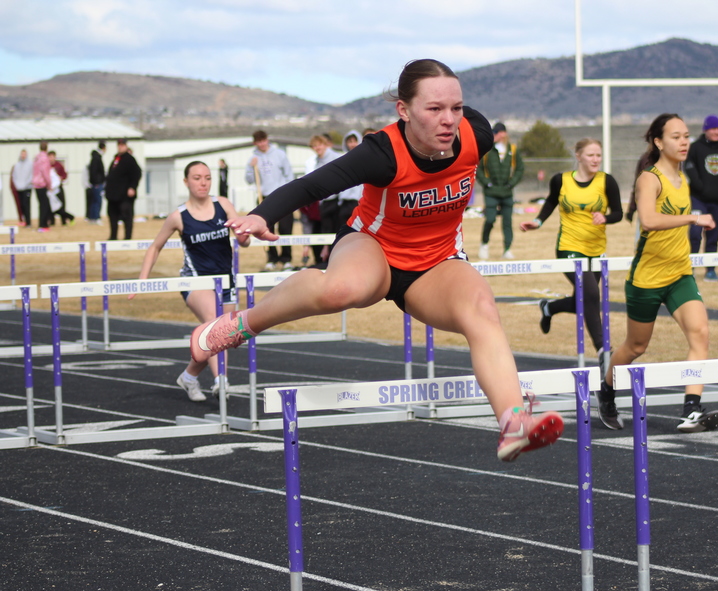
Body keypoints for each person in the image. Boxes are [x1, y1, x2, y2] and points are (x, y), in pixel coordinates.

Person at [189, 58, 563, 462]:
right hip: (373, 246)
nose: (448, 120)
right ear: (404, 111)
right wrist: (262, 215)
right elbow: (312, 184)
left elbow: (464, 125)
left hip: (436, 263)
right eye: (434, 109)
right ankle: (242, 324)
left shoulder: (477, 134)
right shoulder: (383, 153)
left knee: (482, 308)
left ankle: (512, 423)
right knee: (344, 288)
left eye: (456, 108)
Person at [596, 113, 718, 434]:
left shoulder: (684, 179)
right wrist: (694, 219)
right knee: (635, 347)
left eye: (686, 135)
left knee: (700, 333)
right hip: (647, 279)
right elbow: (649, 220)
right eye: (676, 136)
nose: (683, 142)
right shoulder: (649, 179)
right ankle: (607, 391)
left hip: (680, 273)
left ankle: (692, 410)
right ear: (658, 141)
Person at [133, 161, 246, 399]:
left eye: (207, 177)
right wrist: (142, 280)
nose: (203, 183)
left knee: (225, 336)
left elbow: (242, 238)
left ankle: (189, 376)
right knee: (215, 325)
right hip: (195, 281)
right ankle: (221, 381)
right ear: (186, 182)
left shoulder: (223, 204)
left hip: (226, 280)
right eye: (196, 178)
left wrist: (245, 236)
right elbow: (155, 247)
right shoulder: (178, 216)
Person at [521, 138, 622, 371]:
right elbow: (550, 203)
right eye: (591, 155)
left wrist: (605, 218)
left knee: (583, 302)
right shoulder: (561, 180)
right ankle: (603, 350)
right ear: (578, 156)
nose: (596, 159)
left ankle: (549, 308)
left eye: (599, 155)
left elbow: (617, 212)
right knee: (590, 294)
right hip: (568, 247)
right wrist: (537, 221)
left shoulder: (607, 182)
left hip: (595, 250)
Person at [683, 115, 718, 282]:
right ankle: (689, 269)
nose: (716, 132)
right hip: (699, 199)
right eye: (713, 129)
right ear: (706, 130)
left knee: (713, 237)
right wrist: (700, 187)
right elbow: (689, 168)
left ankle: (710, 271)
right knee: (695, 234)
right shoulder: (696, 148)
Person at [245, 130, 296, 270]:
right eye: (258, 142)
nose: (262, 144)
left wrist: (289, 193)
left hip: (282, 195)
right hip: (264, 196)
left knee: (286, 228)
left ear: (267, 140)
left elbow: (289, 175)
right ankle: (272, 258)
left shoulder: (279, 154)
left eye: (263, 140)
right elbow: (249, 180)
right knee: (266, 229)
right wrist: (251, 167)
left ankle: (286, 259)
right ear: (255, 143)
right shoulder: (253, 158)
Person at [477, 122, 524, 260]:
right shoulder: (487, 150)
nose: (494, 135)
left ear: (503, 134)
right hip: (491, 192)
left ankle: (507, 249)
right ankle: (484, 244)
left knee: (507, 222)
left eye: (496, 133)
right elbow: (478, 169)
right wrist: (487, 183)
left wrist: (511, 183)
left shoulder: (513, 149)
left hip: (507, 192)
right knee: (490, 219)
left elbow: (520, 169)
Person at [301, 134, 341, 267]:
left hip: (335, 200)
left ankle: (335, 260)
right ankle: (322, 261)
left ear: (325, 144)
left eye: (319, 144)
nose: (317, 148)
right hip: (322, 201)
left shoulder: (335, 158)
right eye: (314, 146)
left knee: (333, 231)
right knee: (322, 231)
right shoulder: (316, 161)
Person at [105, 139, 142, 240]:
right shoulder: (116, 159)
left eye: (122, 145)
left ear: (126, 146)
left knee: (127, 217)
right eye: (119, 145)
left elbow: (137, 174)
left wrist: (132, 187)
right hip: (113, 195)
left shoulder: (129, 159)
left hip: (124, 195)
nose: (120, 147)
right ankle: (113, 236)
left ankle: (127, 237)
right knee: (112, 216)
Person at [47, 151, 74, 226]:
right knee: (50, 206)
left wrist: (61, 178)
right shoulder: (47, 166)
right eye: (50, 157)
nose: (51, 158)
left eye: (52, 156)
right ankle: (51, 221)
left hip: (58, 188)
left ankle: (64, 221)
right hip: (50, 190)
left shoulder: (59, 165)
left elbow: (65, 175)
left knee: (61, 205)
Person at [32, 142, 53, 231]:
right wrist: (49, 184)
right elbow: (45, 173)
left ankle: (42, 223)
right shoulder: (45, 159)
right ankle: (43, 224)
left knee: (41, 204)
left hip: (36, 184)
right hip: (42, 184)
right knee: (44, 205)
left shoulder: (36, 158)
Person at [11, 149, 33, 227]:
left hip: (27, 188)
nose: (23, 155)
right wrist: (17, 185)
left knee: (26, 205)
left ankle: (28, 222)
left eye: (24, 154)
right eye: (22, 154)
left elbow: (31, 176)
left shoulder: (30, 164)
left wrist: (25, 184)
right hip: (19, 188)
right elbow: (14, 176)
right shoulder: (17, 165)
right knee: (21, 205)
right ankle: (23, 221)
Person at [86, 141, 106, 223]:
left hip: (95, 183)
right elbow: (95, 171)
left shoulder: (95, 157)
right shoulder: (97, 158)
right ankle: (96, 217)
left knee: (94, 201)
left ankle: (92, 218)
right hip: (97, 183)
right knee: (97, 201)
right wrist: (97, 182)